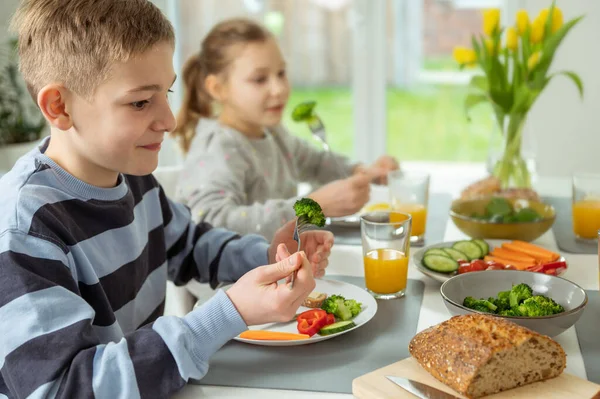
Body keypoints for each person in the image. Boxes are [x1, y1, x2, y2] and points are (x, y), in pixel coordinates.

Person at [0, 1, 333, 397]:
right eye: (141, 102)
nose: (170, 120)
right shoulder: (26, 230)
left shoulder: (130, 177)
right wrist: (228, 313)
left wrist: (267, 255)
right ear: (60, 106)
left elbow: (189, 245)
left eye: (167, 92)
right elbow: (64, 389)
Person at [173, 18, 400, 240]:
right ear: (218, 88)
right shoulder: (218, 146)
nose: (279, 88)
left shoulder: (272, 133)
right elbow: (211, 223)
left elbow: (316, 163)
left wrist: (364, 172)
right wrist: (311, 206)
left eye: (281, 73)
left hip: (274, 267)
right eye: (260, 79)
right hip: (231, 278)